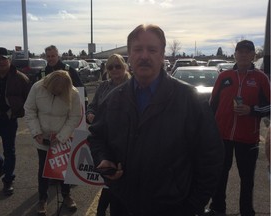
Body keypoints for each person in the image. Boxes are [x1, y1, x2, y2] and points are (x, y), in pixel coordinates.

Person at [87, 24, 224, 216]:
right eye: (138, 49)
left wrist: (193, 205)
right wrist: (104, 159)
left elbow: (211, 156)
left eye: (152, 49)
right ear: (130, 56)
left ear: (162, 55)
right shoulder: (114, 98)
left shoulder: (190, 99)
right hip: (123, 205)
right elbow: (97, 137)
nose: (144, 56)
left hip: (174, 208)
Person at [205, 40, 270, 216]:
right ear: (235, 54)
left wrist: (252, 110)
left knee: (247, 179)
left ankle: (247, 211)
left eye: (247, 52)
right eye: (239, 51)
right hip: (222, 135)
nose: (243, 54)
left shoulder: (261, 78)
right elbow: (213, 105)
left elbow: (270, 106)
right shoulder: (224, 76)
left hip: (248, 137)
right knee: (220, 174)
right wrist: (209, 131)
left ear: (253, 56)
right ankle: (217, 208)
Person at [24, 70, 82, 216]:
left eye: (60, 92)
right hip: (42, 137)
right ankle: (42, 199)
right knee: (43, 169)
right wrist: (36, 132)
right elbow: (29, 110)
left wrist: (62, 136)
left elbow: (75, 116)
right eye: (53, 91)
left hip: (62, 138)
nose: (56, 93)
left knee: (63, 168)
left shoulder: (73, 93)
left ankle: (66, 195)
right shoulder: (37, 88)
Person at [86, 54, 131, 216]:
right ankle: (101, 210)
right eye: (110, 67)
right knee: (108, 179)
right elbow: (92, 106)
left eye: (117, 66)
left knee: (117, 182)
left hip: (125, 143)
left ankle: (101, 210)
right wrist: (90, 114)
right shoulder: (103, 86)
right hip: (104, 141)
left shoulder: (133, 86)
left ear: (124, 66)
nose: (114, 70)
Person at [0, 47, 30, 195]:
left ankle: (8, 180)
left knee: (9, 151)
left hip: (9, 119)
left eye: (4, 58)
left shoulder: (20, 78)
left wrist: (17, 112)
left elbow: (29, 100)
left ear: (10, 59)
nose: (1, 61)